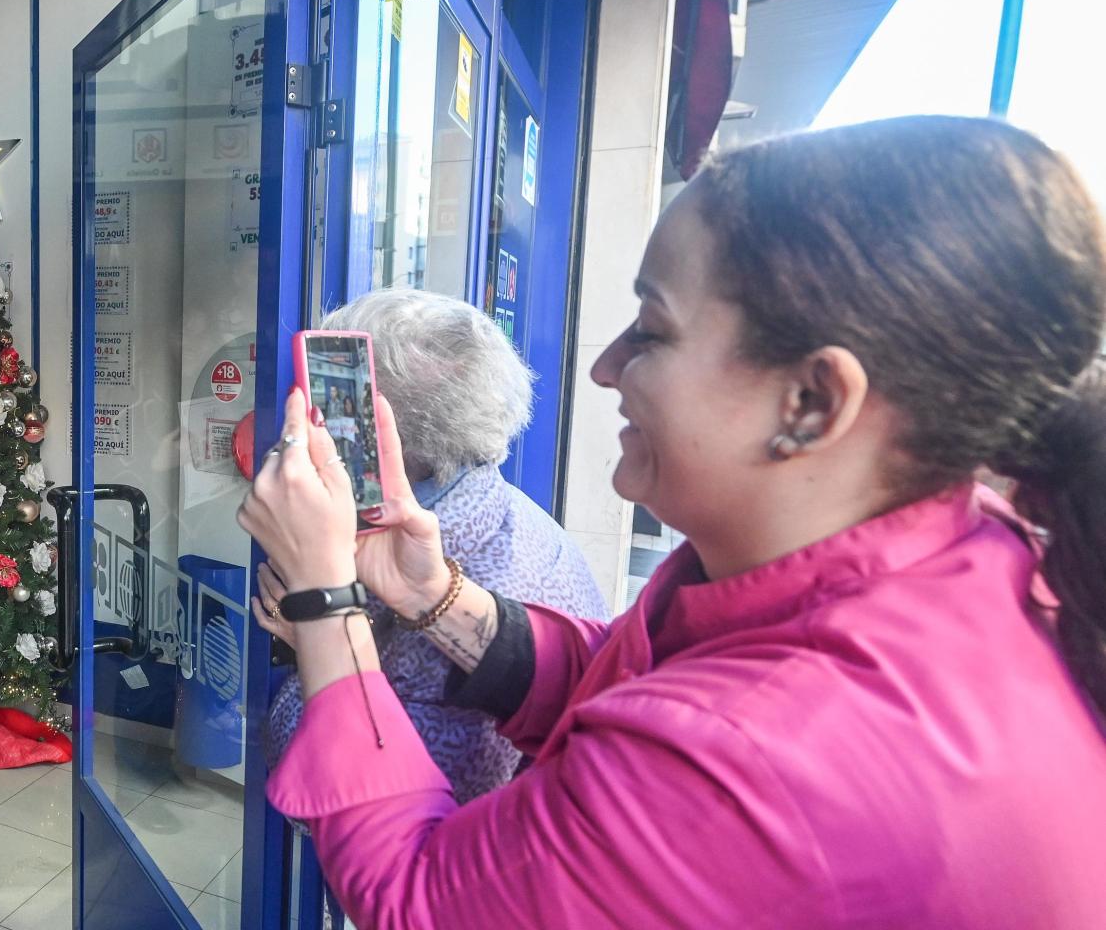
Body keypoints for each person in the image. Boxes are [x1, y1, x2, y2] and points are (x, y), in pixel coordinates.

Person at [236, 117, 1106, 928]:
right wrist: (432, 594)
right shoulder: (959, 554)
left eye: (652, 329)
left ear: (812, 401)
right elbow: (622, 680)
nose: (608, 366)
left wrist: (325, 599)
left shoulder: (766, 755)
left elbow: (417, 897)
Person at [257, 290, 609, 803]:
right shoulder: (497, 510)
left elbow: (337, 810)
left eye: (331, 399)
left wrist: (316, 637)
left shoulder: (478, 583)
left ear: (370, 434)